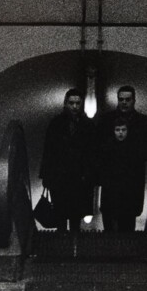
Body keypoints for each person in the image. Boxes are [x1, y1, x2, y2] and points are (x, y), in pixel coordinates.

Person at [96, 85, 147, 232]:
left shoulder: (143, 122)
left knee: (127, 220)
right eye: (121, 99)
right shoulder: (107, 120)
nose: (124, 102)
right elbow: (96, 146)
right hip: (114, 178)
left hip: (131, 179)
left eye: (127, 100)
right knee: (111, 219)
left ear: (134, 100)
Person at [39, 88, 97, 232]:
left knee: (72, 215)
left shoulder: (58, 123)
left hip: (75, 177)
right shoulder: (84, 124)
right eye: (72, 103)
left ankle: (64, 246)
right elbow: (49, 151)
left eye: (77, 103)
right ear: (66, 104)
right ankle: (70, 246)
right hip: (64, 177)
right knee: (65, 214)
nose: (75, 106)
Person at [98, 116, 142, 232]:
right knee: (120, 228)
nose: (120, 133)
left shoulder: (108, 148)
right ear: (113, 131)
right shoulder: (132, 149)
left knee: (119, 227)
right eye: (118, 130)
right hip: (117, 192)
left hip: (121, 193)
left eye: (123, 130)